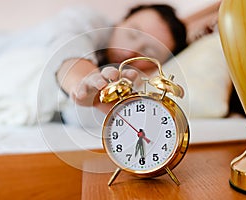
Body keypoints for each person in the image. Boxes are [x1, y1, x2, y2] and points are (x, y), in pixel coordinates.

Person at [55, 4, 187, 116]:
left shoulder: (133, 82)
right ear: (121, 22)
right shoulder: (87, 21)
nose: (128, 52)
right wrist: (81, 82)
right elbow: (69, 48)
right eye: (132, 34)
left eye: (148, 52)